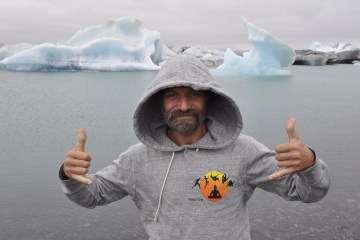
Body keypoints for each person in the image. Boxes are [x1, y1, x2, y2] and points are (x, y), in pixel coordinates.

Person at [59, 54, 330, 239]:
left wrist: (309, 165)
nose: (184, 105)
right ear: (159, 103)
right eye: (172, 95)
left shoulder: (243, 152)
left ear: (209, 100)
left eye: (194, 95)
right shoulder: (137, 160)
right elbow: (92, 196)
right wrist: (69, 175)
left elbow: (307, 193)